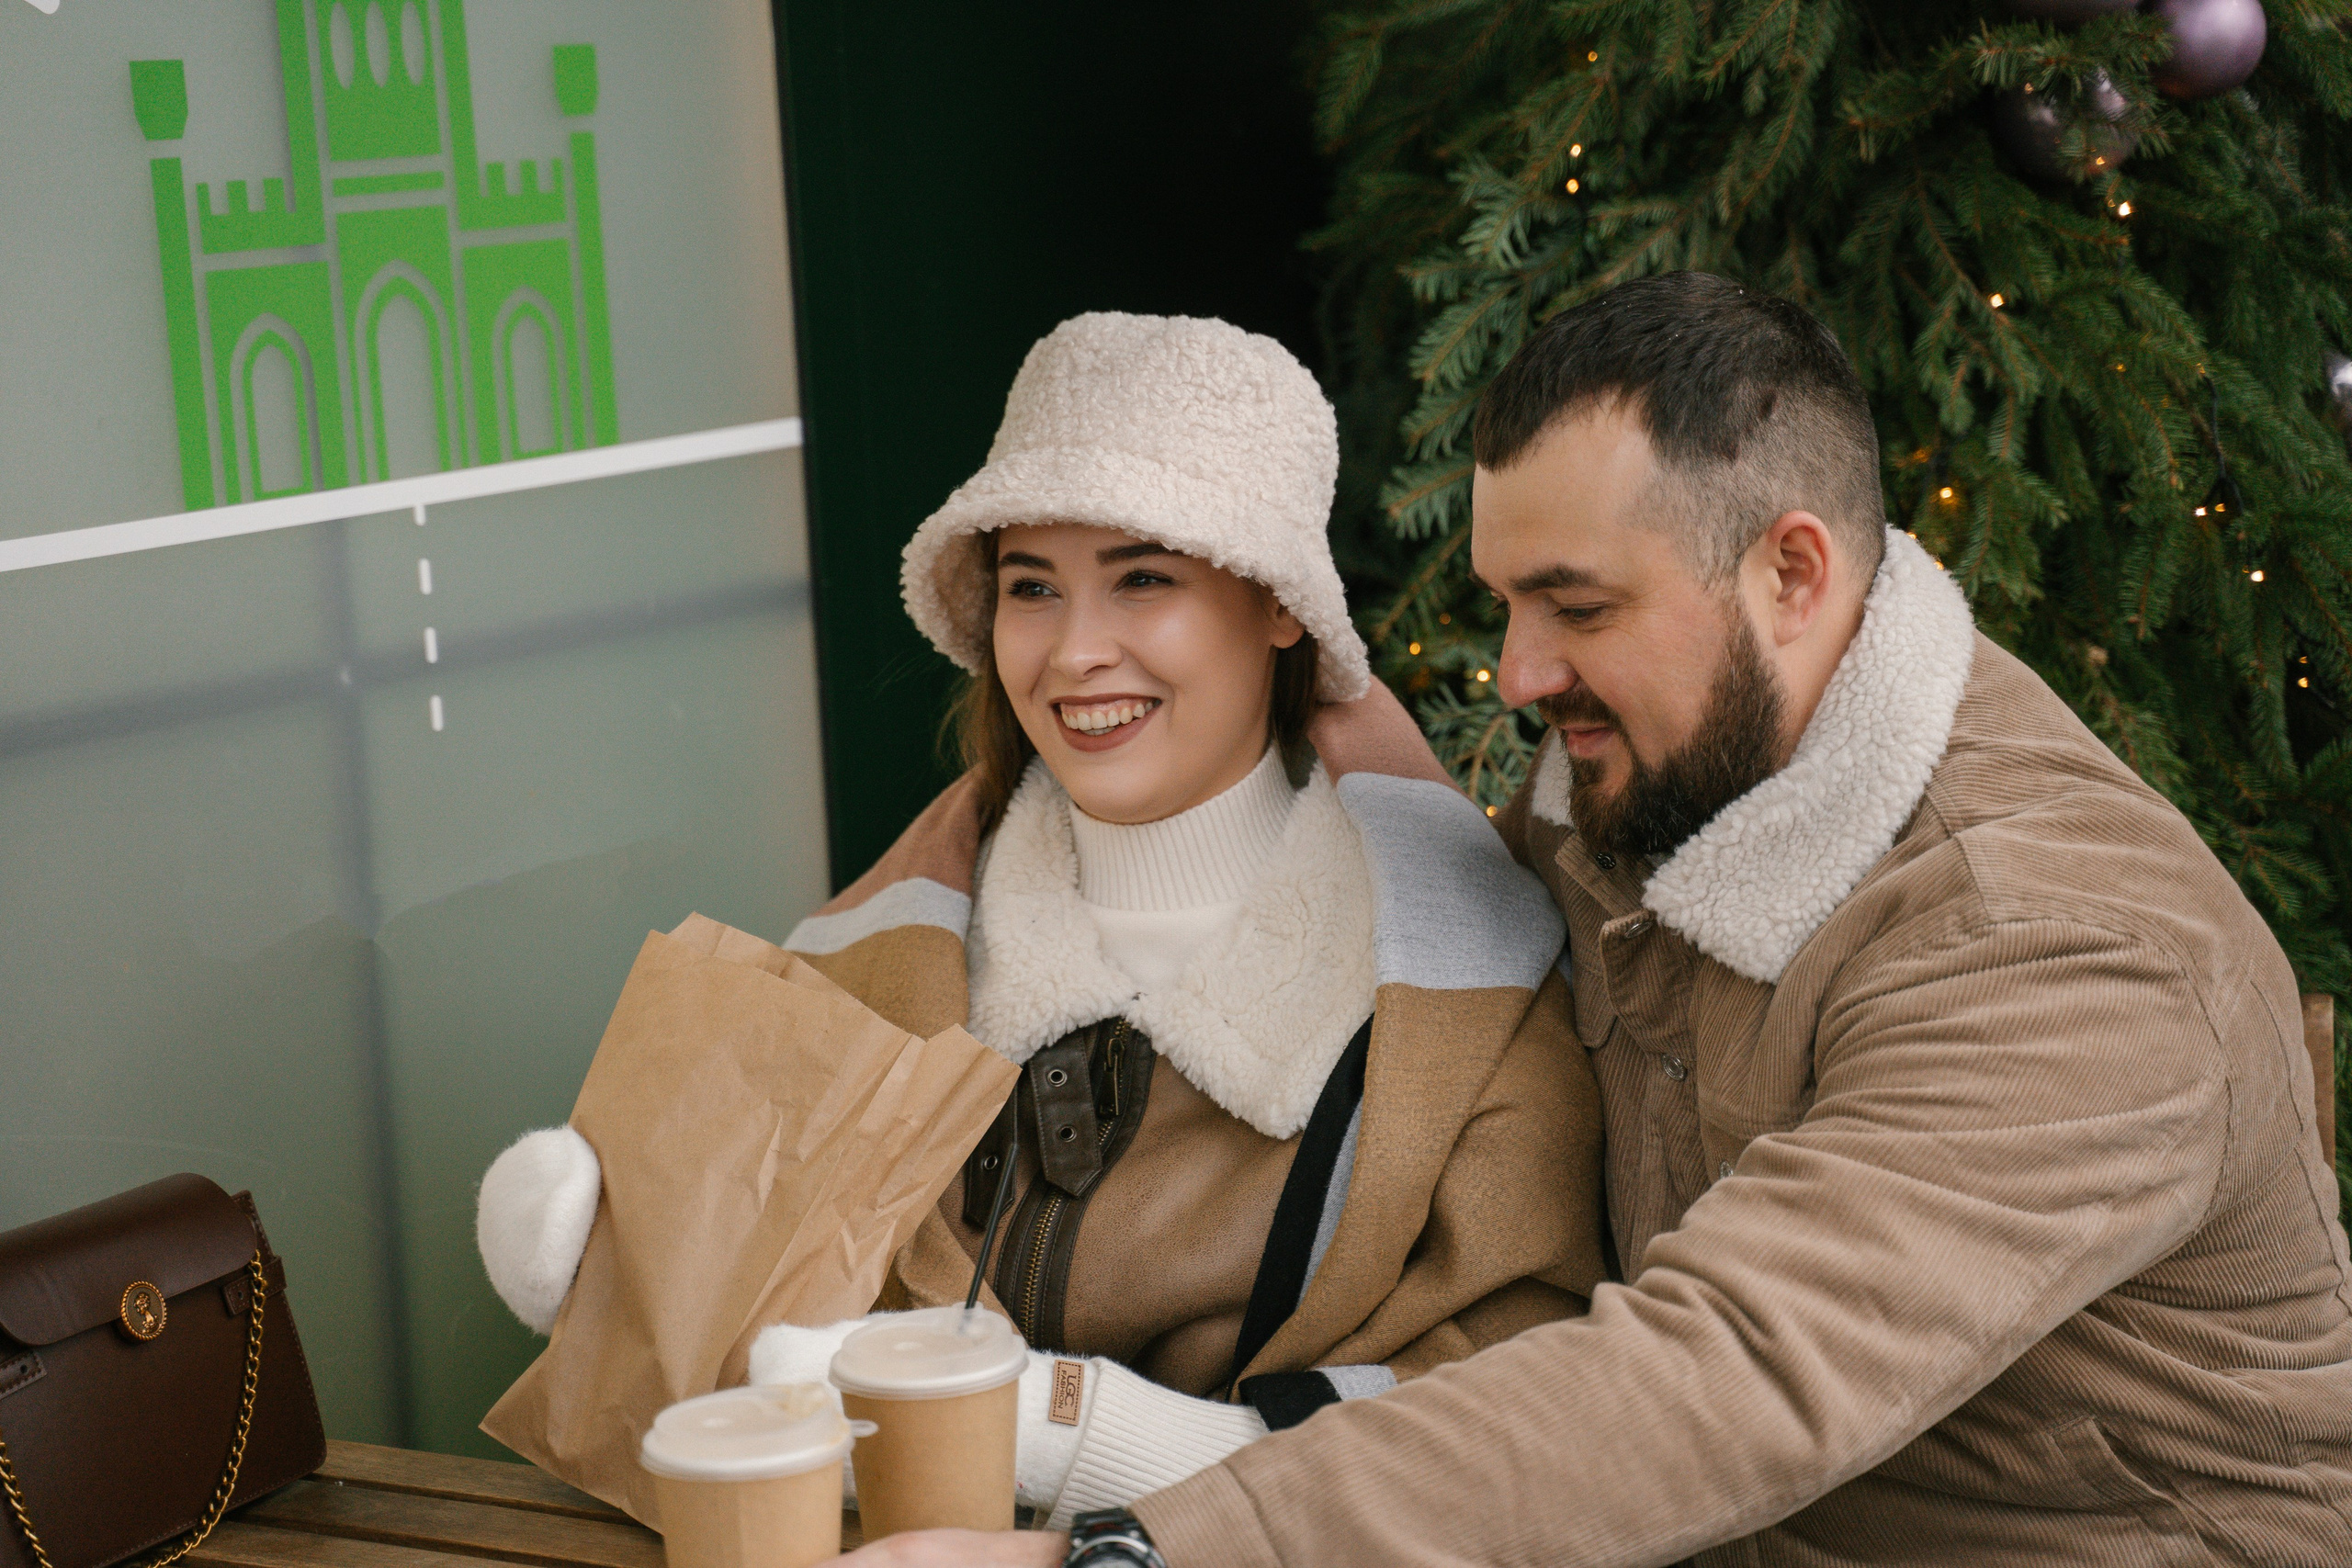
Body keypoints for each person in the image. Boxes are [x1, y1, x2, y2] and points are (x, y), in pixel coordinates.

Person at [841, 274, 2352, 1567]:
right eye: (1506, 604)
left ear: (1793, 572)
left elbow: (1725, 1376)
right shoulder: (1665, 779)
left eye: (1576, 606)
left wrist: (1136, 1546)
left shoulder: (2053, 947)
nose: (1511, 675)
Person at [474, 311, 1606, 1528]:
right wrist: (611, 1255)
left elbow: (1511, 1426)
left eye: (1144, 580)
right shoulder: (893, 948)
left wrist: (1047, 1428)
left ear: (1279, 606)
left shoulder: (1468, 1005)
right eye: (1032, 588)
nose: (1075, 653)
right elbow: (754, 1309)